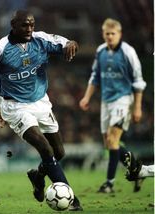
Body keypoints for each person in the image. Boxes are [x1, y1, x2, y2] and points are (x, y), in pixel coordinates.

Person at [0, 10, 82, 211]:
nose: (29, 29)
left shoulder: (41, 39)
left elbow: (69, 42)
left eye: (32, 25)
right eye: (25, 25)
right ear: (13, 25)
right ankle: (70, 198)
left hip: (41, 102)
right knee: (44, 147)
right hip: (15, 106)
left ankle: (38, 175)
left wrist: (71, 45)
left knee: (59, 152)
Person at [79, 18, 147, 193]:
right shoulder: (100, 51)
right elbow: (95, 76)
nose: (110, 36)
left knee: (112, 139)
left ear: (119, 34)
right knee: (109, 144)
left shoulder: (128, 52)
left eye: (113, 34)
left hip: (123, 100)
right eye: (107, 33)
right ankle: (137, 169)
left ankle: (109, 183)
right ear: (103, 34)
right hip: (106, 101)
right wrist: (86, 97)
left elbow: (138, 81)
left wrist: (137, 107)